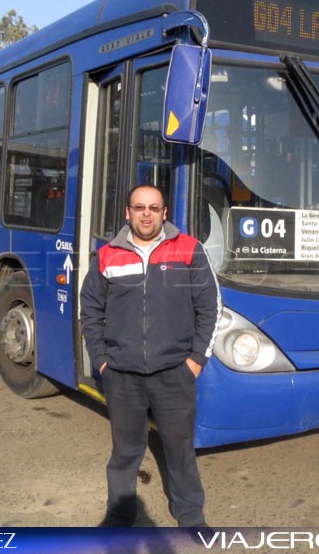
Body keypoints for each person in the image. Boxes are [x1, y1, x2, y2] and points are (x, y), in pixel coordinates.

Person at [80, 183, 221, 527]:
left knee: (180, 449)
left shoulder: (189, 250)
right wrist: (101, 360)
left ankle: (190, 515)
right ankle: (120, 514)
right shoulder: (108, 254)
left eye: (153, 208)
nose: (146, 213)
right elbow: (90, 308)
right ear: (127, 213)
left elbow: (210, 308)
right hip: (122, 374)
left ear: (164, 213)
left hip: (175, 373)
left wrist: (195, 361)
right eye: (139, 207)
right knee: (125, 452)